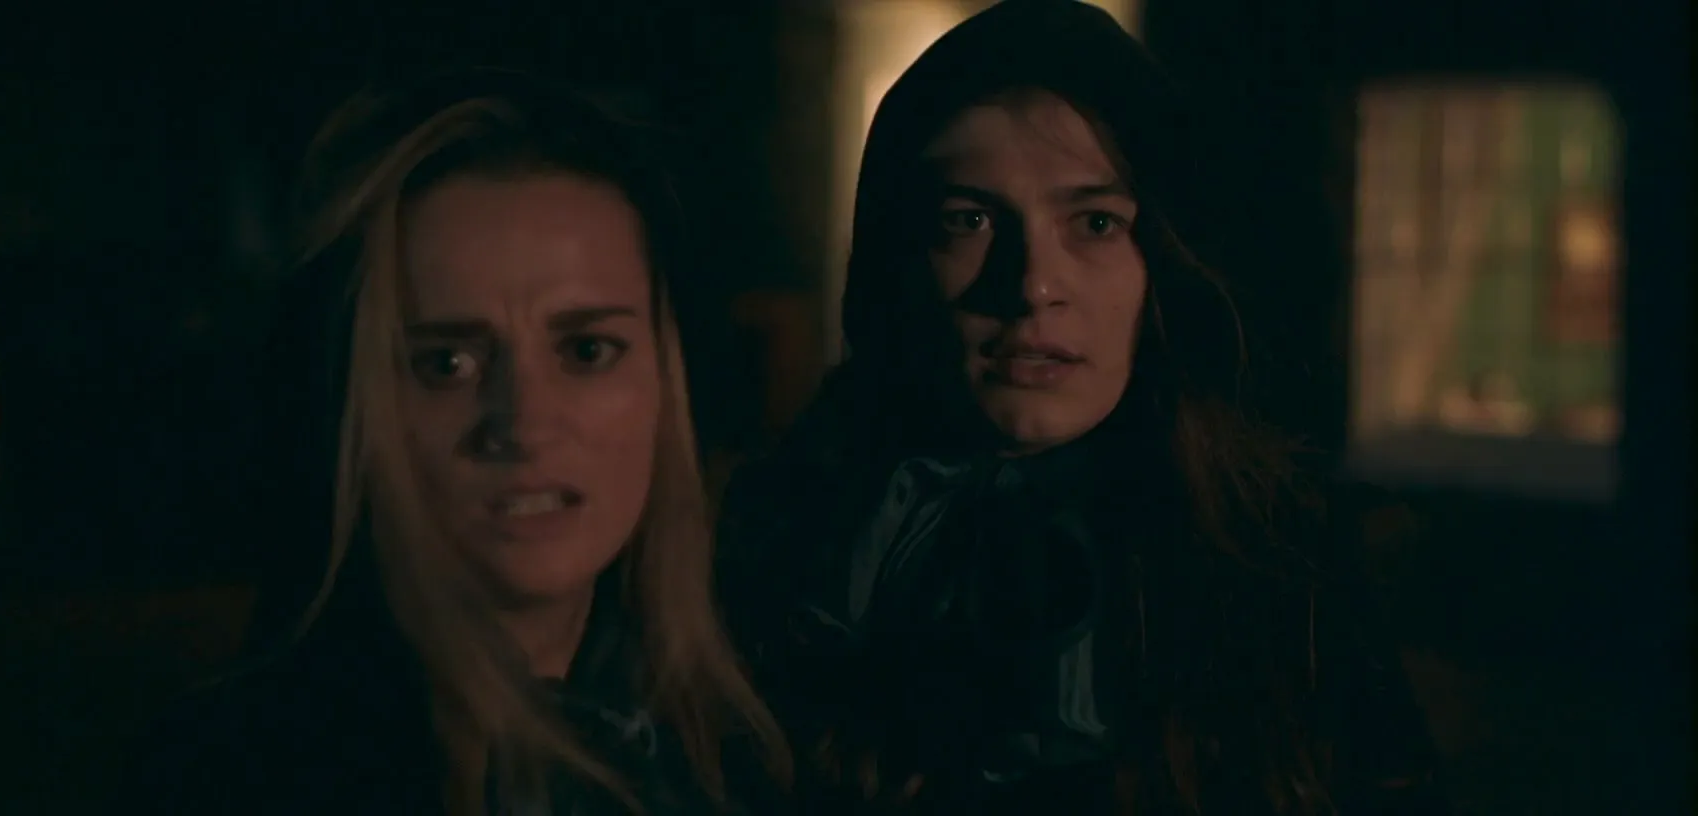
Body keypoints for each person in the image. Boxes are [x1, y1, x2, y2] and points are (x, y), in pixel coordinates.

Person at [717, 2, 1446, 813]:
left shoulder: (1275, 557)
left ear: (1160, 255)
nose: (1032, 285)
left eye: (1096, 222)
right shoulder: (790, 549)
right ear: (899, 256)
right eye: (969, 220)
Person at [121, 72, 790, 815]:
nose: (524, 424)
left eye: (587, 351)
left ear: (667, 382)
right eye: (447, 363)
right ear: (357, 400)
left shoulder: (753, 755)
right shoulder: (229, 776)